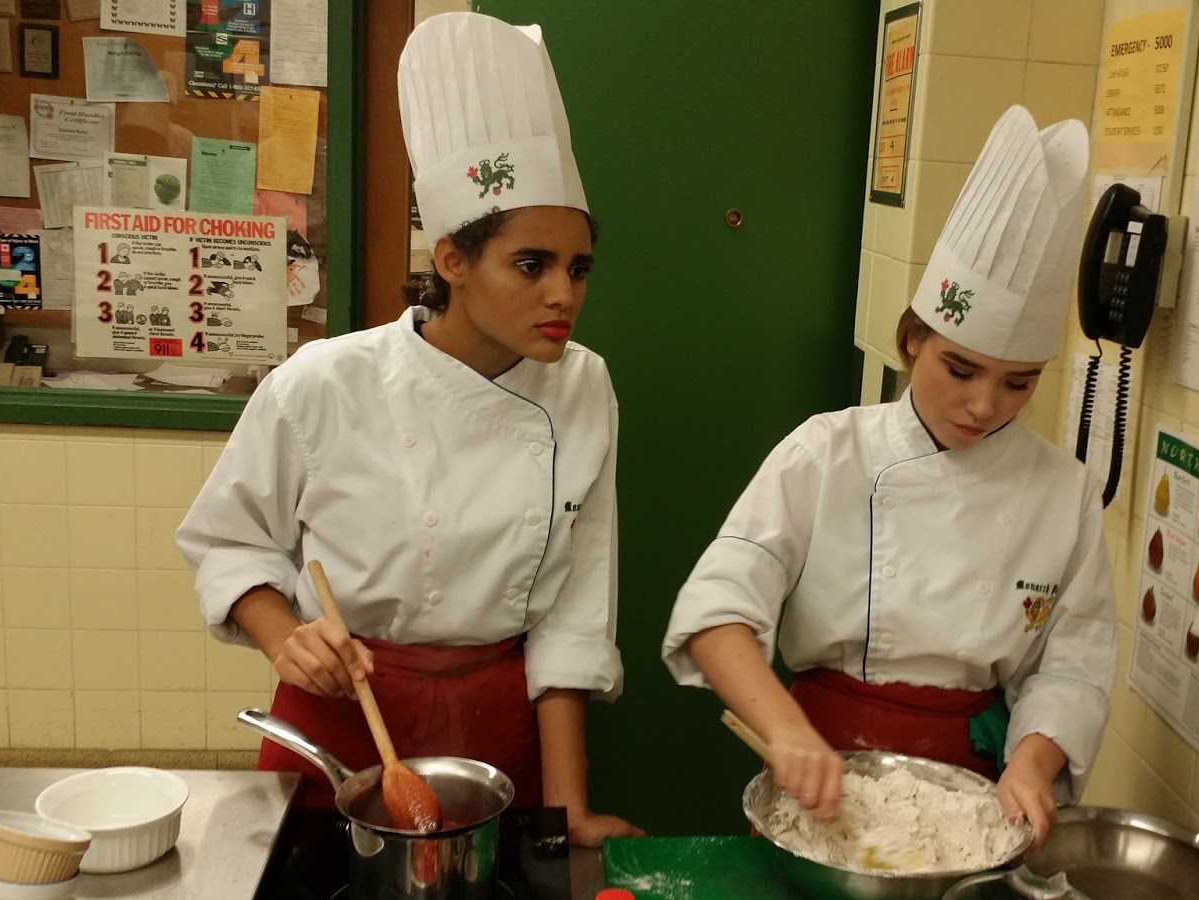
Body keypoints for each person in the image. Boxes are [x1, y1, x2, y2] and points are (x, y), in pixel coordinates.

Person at [176, 11, 641, 854]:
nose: (563, 295)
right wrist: (289, 639)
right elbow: (227, 542)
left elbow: (574, 612)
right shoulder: (326, 381)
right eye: (531, 264)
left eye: (578, 268)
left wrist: (567, 810)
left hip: (496, 728)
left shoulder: (583, 386)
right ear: (453, 261)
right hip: (339, 715)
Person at [661, 106, 1116, 848]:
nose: (983, 406)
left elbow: (1073, 663)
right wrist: (786, 730)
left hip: (974, 803)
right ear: (912, 341)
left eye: (1018, 383)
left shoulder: (1063, 493)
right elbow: (717, 610)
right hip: (823, 783)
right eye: (960, 370)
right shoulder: (827, 453)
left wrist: (1034, 764)